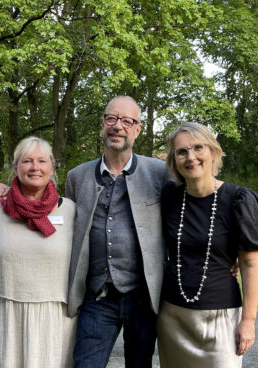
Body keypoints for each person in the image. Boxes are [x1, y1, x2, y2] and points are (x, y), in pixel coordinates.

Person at [64, 96, 168, 367]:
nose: (117, 126)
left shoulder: (159, 173)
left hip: (143, 299)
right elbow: (57, 216)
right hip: (97, 297)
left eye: (127, 121)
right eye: (112, 118)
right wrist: (6, 188)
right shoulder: (77, 177)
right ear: (103, 124)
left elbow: (194, 203)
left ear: (138, 129)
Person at [157, 122, 258, 368]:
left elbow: (250, 264)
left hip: (220, 319)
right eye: (181, 151)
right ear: (174, 160)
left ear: (214, 152)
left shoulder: (238, 200)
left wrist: (248, 321)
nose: (191, 157)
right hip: (172, 317)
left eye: (199, 147)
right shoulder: (169, 198)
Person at [0, 137, 77, 367]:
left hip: (54, 318)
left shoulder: (71, 211)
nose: (35, 167)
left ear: (52, 168)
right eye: (27, 161)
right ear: (15, 168)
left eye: (42, 161)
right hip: (6, 316)